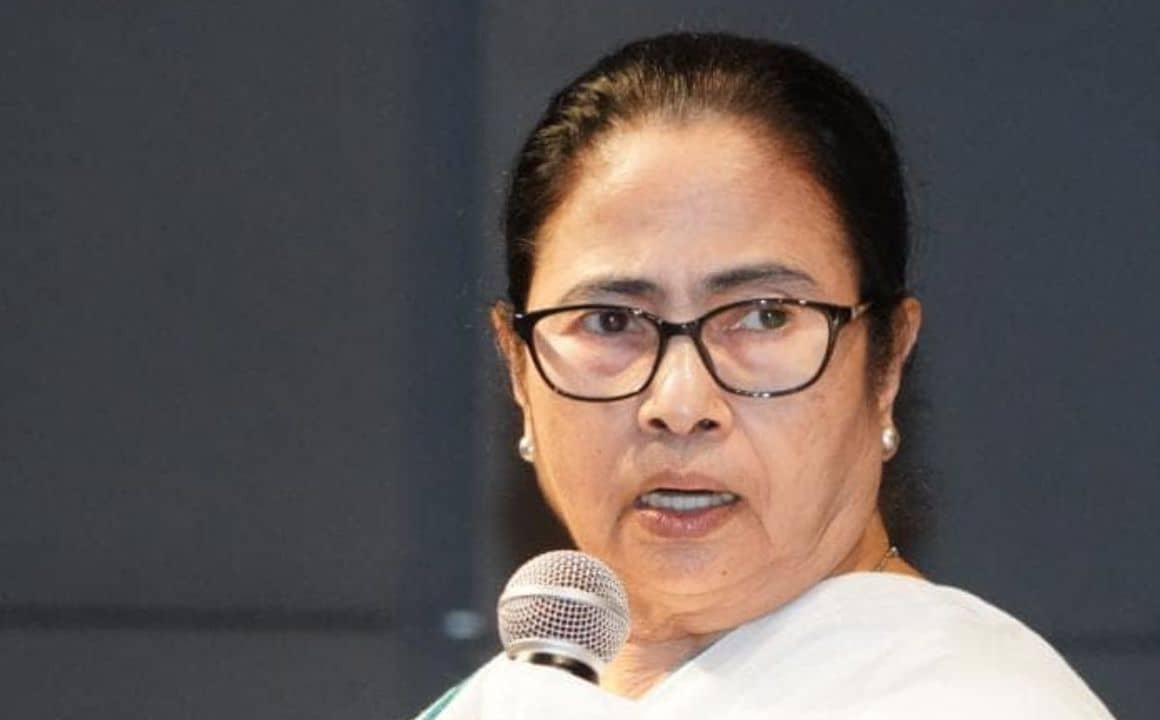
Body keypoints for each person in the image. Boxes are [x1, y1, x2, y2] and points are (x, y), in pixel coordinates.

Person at [418, 32, 1115, 719]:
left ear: (887, 362)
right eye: (610, 320)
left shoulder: (973, 703)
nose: (680, 403)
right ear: (518, 368)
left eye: (763, 316)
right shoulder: (503, 706)